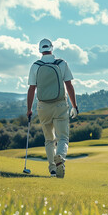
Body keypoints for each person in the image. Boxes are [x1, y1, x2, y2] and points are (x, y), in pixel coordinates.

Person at [26, 38, 78, 178]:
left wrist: (29, 109)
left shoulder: (35, 66)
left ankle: (52, 169)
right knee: (63, 138)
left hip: (43, 106)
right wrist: (74, 106)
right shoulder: (61, 64)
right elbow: (69, 86)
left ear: (39, 50)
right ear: (52, 48)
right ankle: (60, 156)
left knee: (49, 139)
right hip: (60, 104)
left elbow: (32, 89)